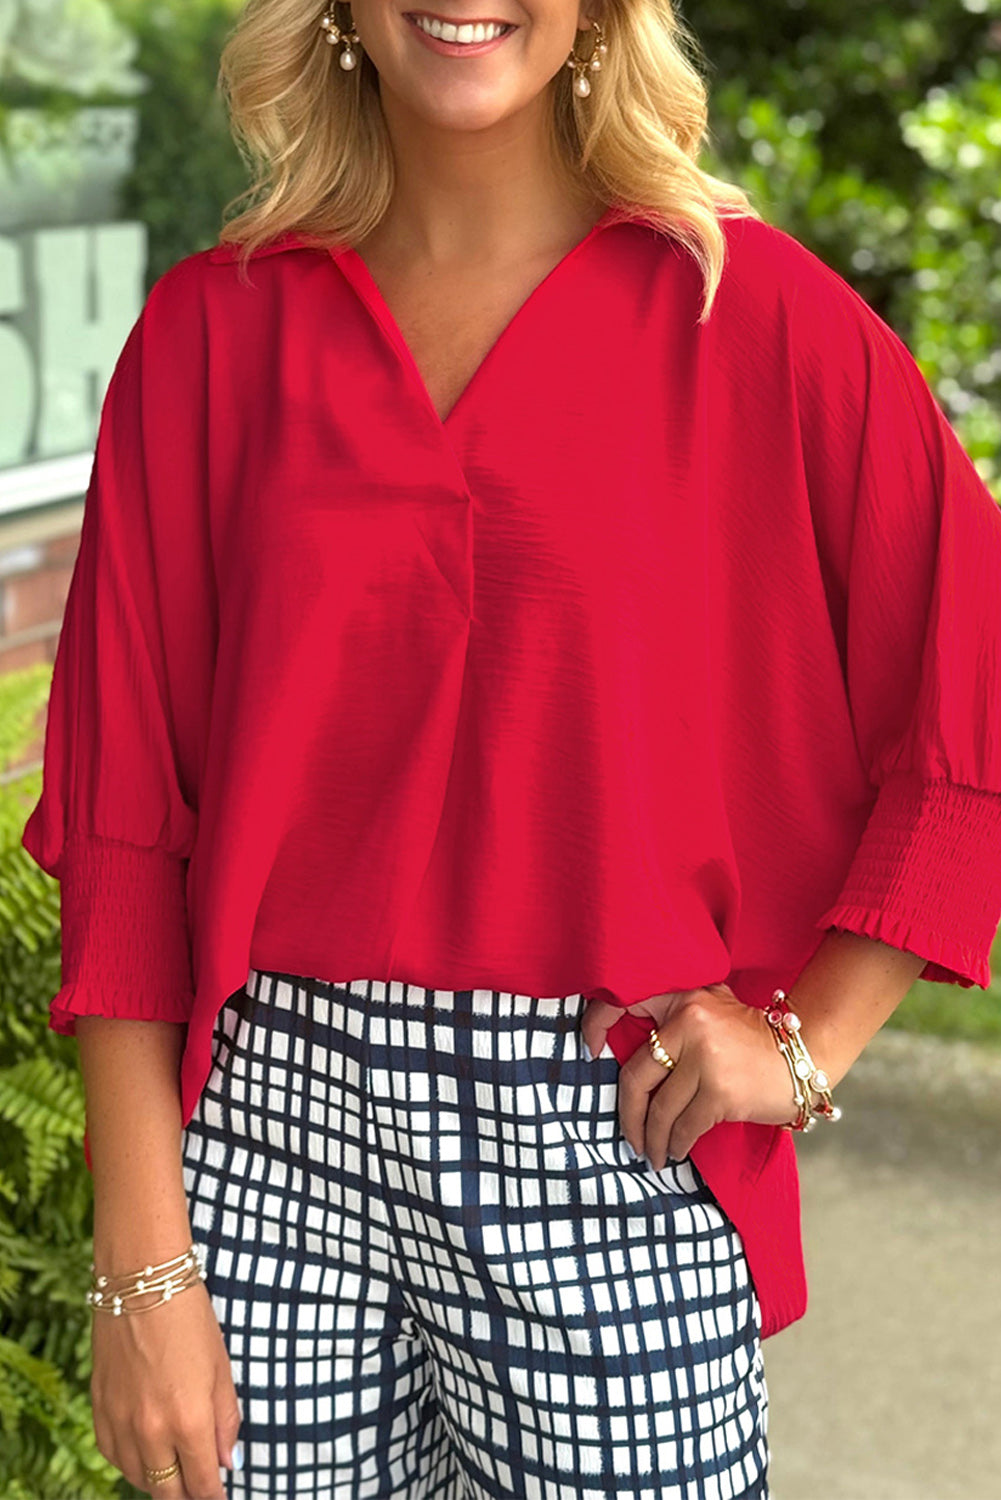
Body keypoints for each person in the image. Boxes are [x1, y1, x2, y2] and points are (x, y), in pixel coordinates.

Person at [20, 0, 1001, 1496]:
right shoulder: (210, 337)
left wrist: (811, 1044)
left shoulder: (746, 313)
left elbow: (969, 667)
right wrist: (142, 1267)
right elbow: (124, 820)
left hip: (608, 1127)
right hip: (263, 1138)